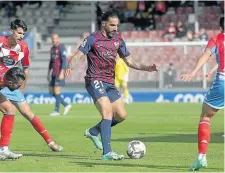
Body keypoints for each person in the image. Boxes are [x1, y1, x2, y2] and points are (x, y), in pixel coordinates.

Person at [65, 11, 158, 160]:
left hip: (109, 82)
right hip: (94, 79)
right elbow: (77, 55)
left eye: (117, 25)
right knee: (107, 112)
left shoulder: (118, 40)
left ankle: (94, 131)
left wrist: (147, 67)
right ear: (103, 24)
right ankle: (107, 152)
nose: (116, 28)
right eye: (112, 25)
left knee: (121, 115)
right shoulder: (92, 39)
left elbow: (129, 61)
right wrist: (70, 66)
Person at [0, 19, 62, 160]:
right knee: (9, 110)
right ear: (11, 31)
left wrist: (21, 88)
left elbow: (26, 69)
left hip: (12, 84)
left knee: (28, 113)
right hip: (2, 82)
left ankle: (50, 142)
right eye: (19, 33)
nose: (21, 36)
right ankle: (3, 148)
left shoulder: (23, 47)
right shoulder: (0, 42)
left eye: (23, 34)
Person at [180, 17, 224, 171]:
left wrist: (193, 71)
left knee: (206, 116)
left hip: (223, 82)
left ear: (220, 27)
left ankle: (201, 157)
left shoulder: (217, 39)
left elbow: (206, 55)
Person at [47, 33, 71, 116]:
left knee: (57, 91)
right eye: (52, 38)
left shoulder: (61, 47)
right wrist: (48, 72)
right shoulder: (52, 49)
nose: (54, 40)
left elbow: (64, 60)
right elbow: (51, 61)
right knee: (51, 91)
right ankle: (66, 104)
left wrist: (62, 72)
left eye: (55, 38)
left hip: (59, 72)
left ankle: (56, 111)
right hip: (53, 73)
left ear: (58, 39)